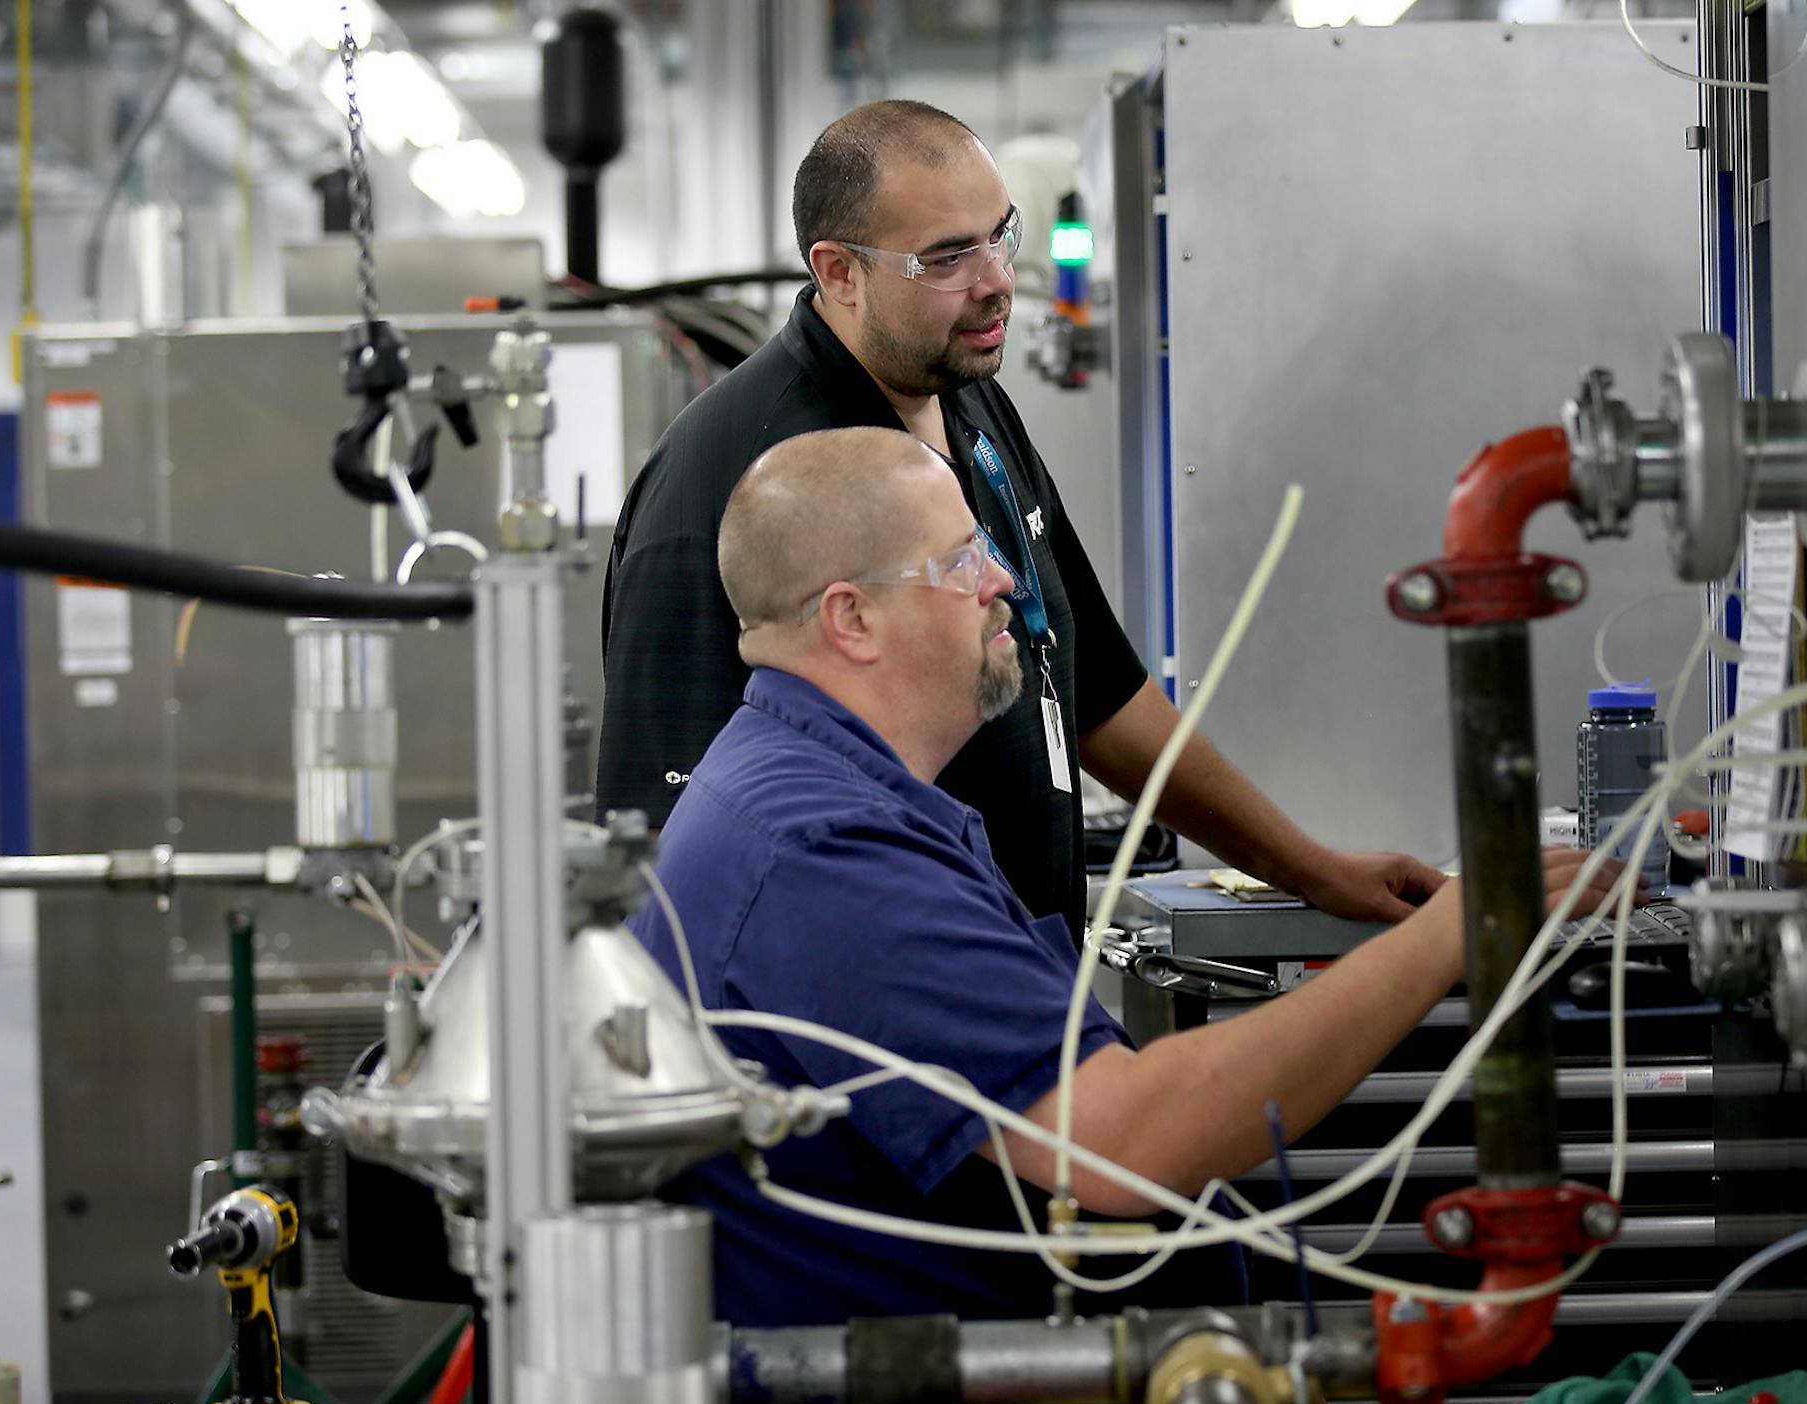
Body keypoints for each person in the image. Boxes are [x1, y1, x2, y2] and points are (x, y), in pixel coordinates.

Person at [627, 428, 1629, 1333]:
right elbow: (1122, 1139)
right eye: (962, 561)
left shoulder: (822, 790)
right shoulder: (820, 847)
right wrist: (1459, 927)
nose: (1004, 585)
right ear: (852, 617)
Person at [602, 98, 1446, 949]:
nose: (997, 278)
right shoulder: (734, 480)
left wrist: (1308, 867)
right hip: (875, 1025)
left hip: (1014, 977)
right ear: (840, 272)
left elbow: (1097, 692)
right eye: (946, 259)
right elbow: (670, 851)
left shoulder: (968, 401)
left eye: (1000, 235)